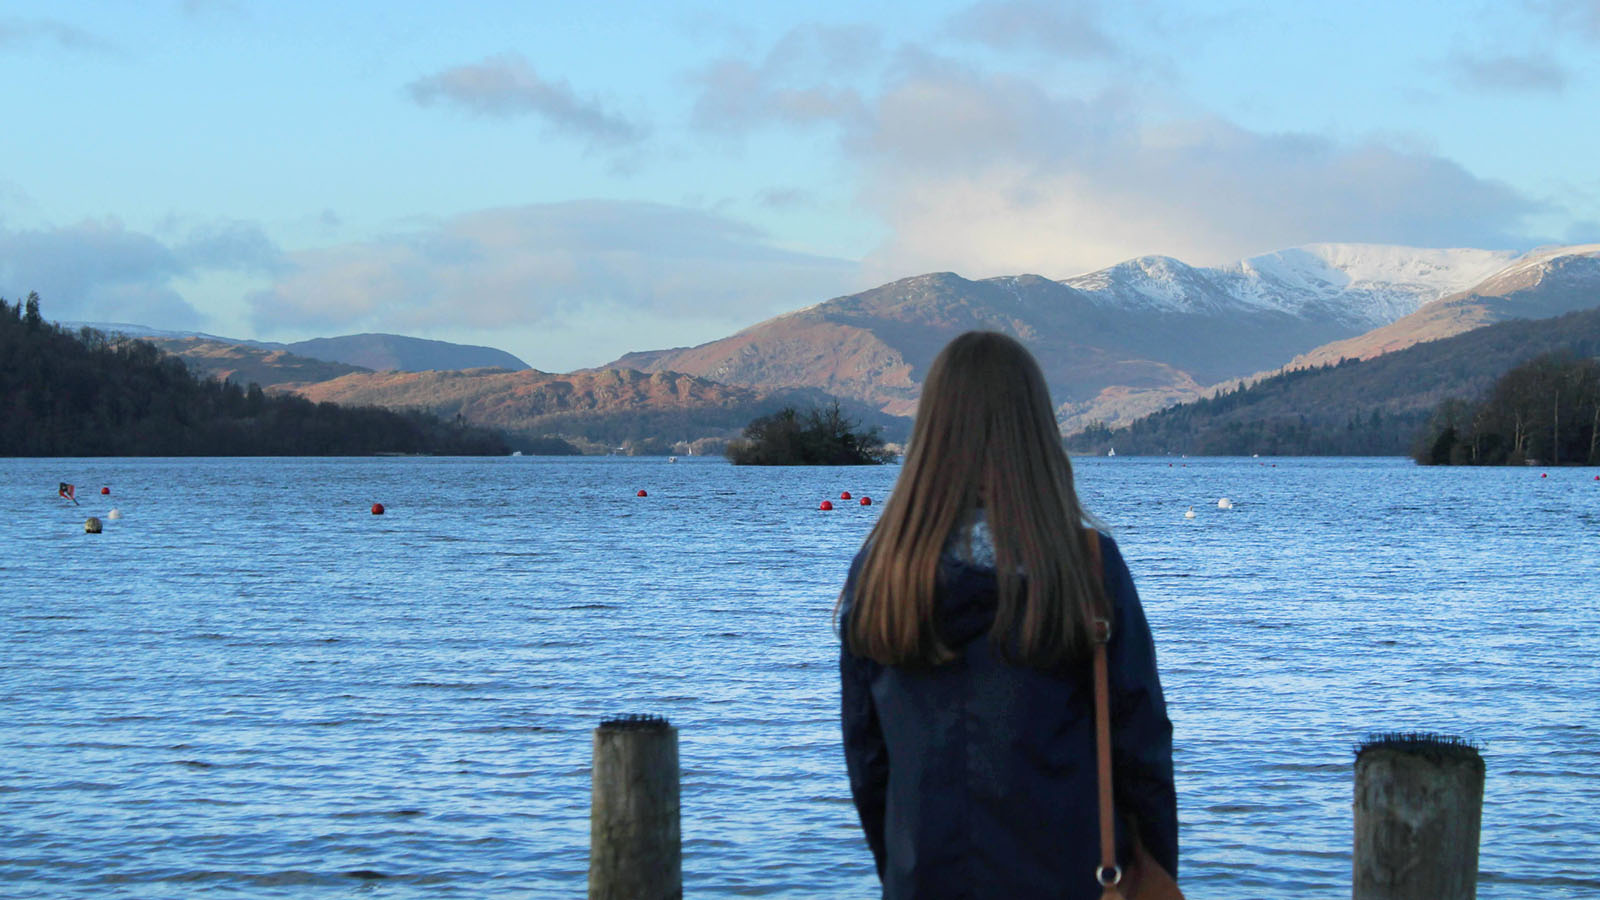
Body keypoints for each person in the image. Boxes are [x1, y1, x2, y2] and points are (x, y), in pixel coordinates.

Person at [838, 331, 1177, 898]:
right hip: (1074, 883)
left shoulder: (880, 573)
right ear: (1036, 433)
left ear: (930, 434)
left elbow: (868, 762)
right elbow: (1141, 754)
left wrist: (900, 871)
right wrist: (1155, 871)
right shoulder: (1089, 568)